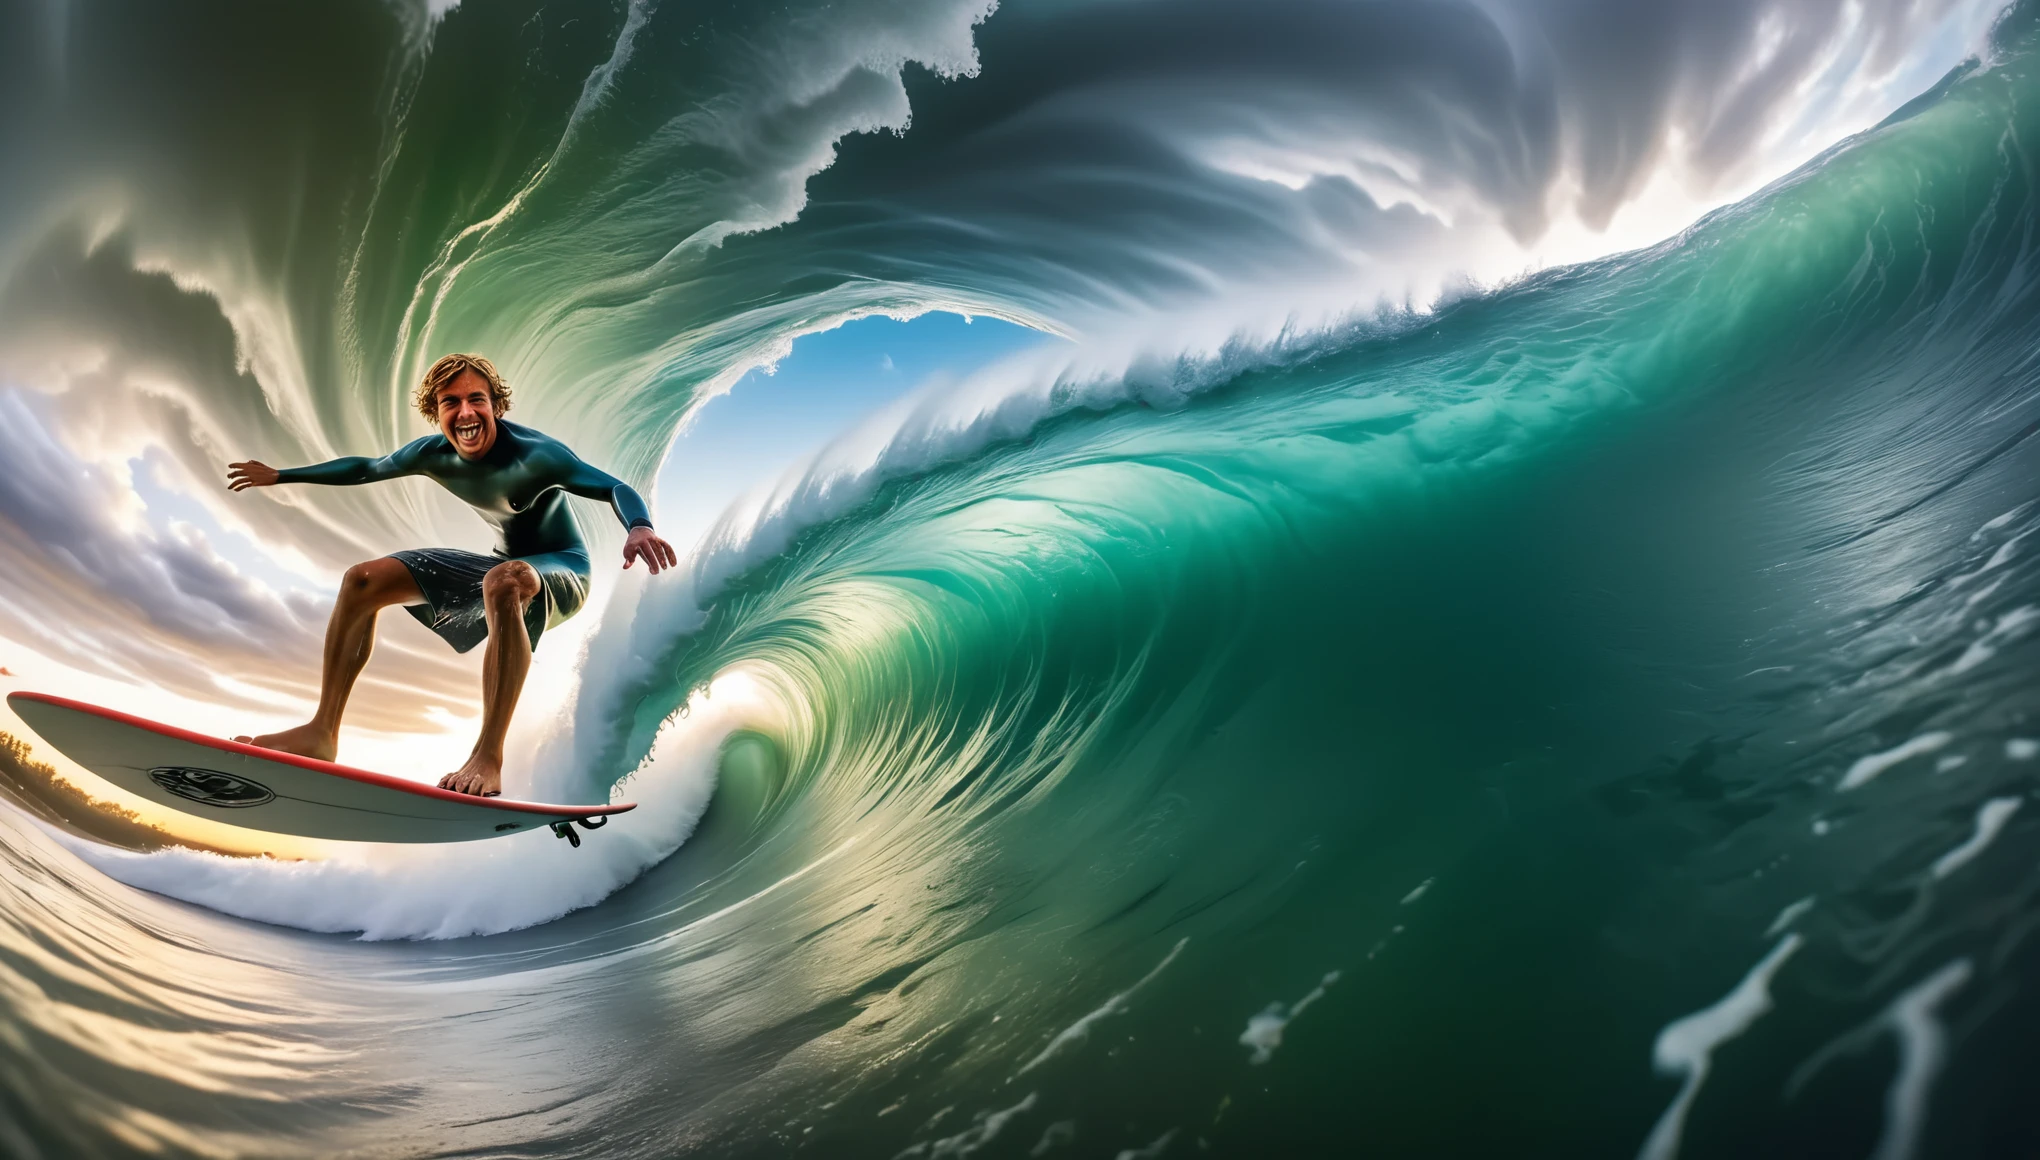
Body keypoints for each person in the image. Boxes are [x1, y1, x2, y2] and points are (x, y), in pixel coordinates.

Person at [226, 353, 676, 797]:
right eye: (449, 402)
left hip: (564, 571)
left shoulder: (537, 457)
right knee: (362, 580)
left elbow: (613, 486)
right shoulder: (433, 454)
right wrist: (282, 475)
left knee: (504, 579)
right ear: (435, 413)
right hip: (501, 567)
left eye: (476, 399)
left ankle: (488, 757)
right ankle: (320, 733)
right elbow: (366, 468)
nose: (465, 413)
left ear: (495, 406)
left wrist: (639, 526)